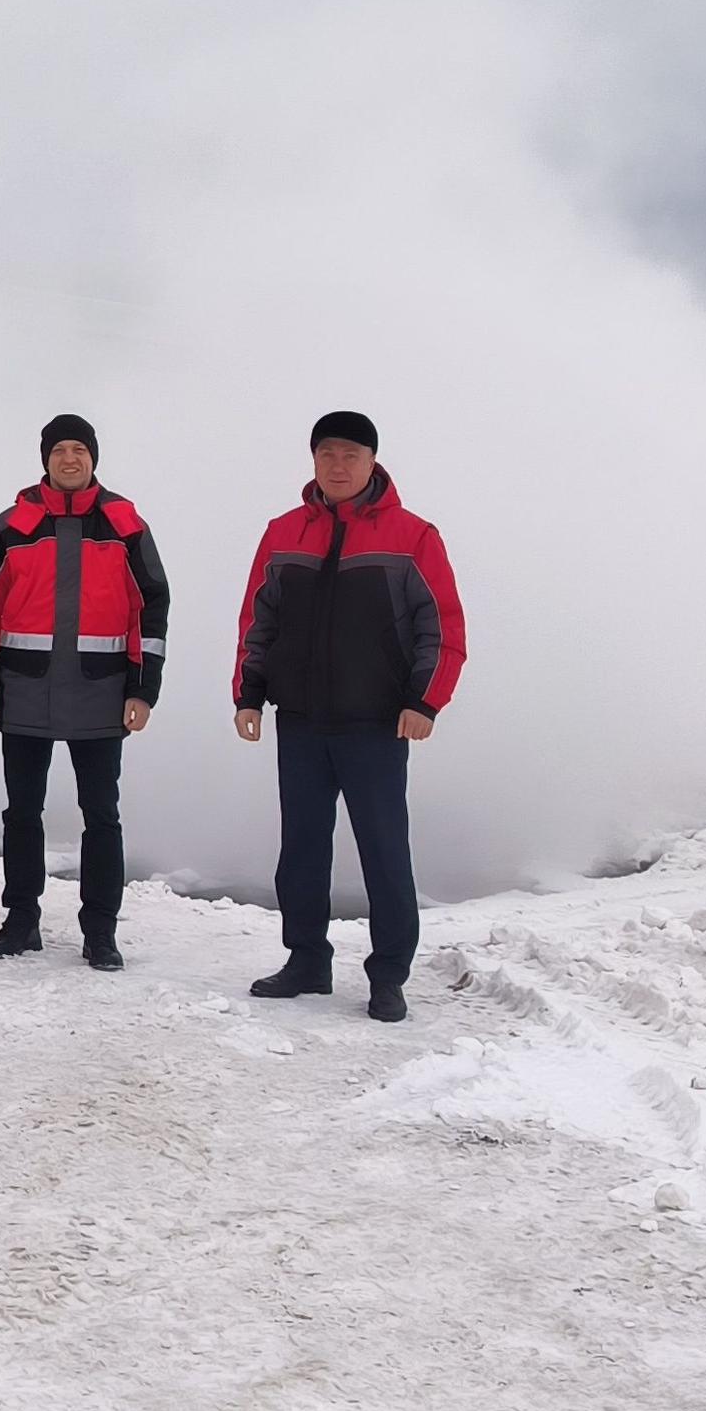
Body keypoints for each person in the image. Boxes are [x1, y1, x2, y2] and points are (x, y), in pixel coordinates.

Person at [230, 410, 467, 1021]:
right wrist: (248, 694)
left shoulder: (414, 536)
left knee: (384, 850)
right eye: (328, 453)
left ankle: (388, 975)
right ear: (313, 461)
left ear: (372, 462)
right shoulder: (284, 532)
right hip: (302, 721)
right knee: (302, 849)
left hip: (377, 724)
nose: (339, 465)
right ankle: (306, 960)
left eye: (352, 454)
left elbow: (440, 628)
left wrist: (425, 701)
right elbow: (258, 621)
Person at [0, 414, 169, 971]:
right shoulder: (12, 526)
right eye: (59, 451)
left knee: (101, 815)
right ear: (45, 459)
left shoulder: (125, 525)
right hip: (23, 693)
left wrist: (143, 688)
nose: (69, 459)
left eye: (79, 449)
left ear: (94, 458)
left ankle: (100, 932)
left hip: (101, 696)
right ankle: (21, 921)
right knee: (21, 813)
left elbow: (152, 608)